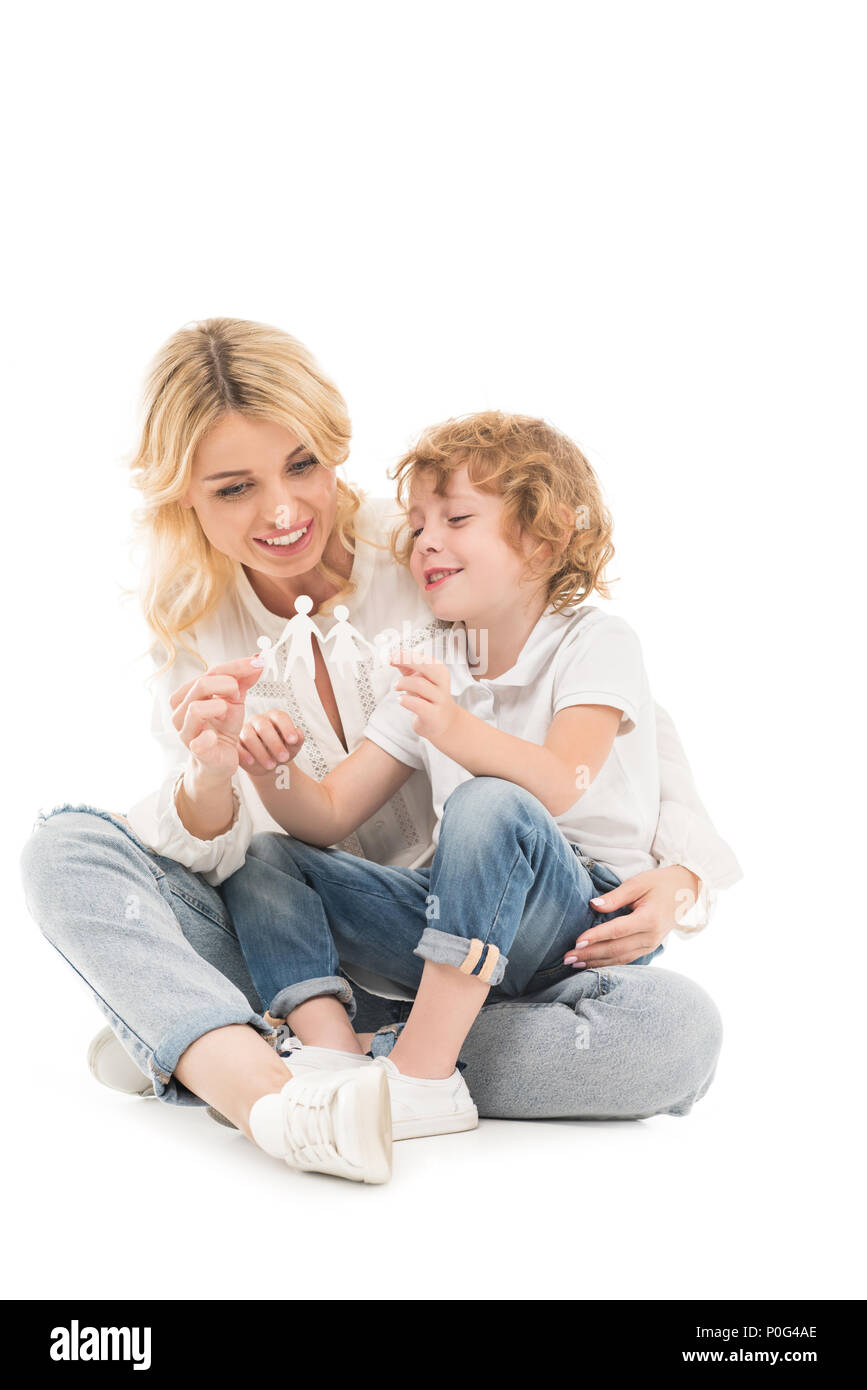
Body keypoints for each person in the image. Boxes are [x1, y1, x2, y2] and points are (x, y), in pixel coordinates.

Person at [19, 319, 740, 1183]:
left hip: (500, 934)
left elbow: (610, 716)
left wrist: (684, 875)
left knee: (673, 1032)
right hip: (327, 940)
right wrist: (222, 770)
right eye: (235, 488)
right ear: (186, 501)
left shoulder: (428, 549)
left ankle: (223, 1045)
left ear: (335, 453)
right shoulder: (192, 631)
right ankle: (292, 1083)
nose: (282, 512)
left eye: (301, 467)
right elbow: (281, 834)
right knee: (70, 850)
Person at [218, 410, 736, 1149]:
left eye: (456, 518)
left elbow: (562, 781)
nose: (426, 540)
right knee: (267, 860)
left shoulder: (596, 640)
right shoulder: (434, 661)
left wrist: (456, 730)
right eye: (419, 523)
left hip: (580, 920)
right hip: (456, 918)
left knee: (489, 803)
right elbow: (329, 814)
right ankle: (333, 1059)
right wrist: (272, 770)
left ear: (546, 537)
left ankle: (421, 1073)